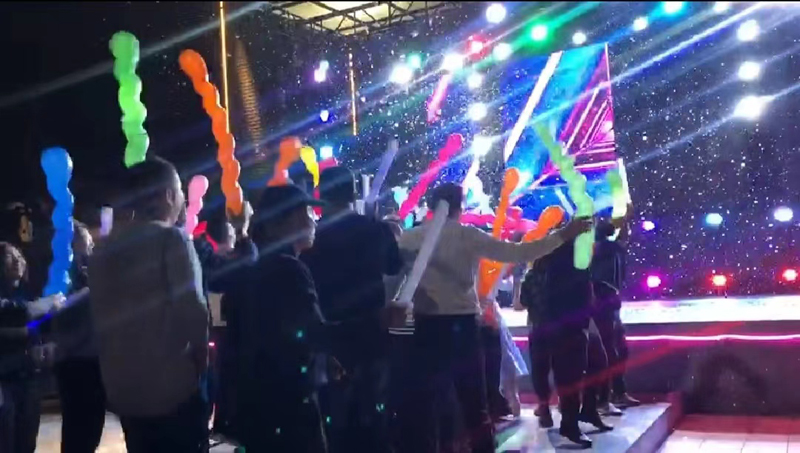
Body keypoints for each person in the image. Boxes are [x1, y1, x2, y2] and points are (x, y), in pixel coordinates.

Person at [396, 183, 592, 453]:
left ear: (431, 205)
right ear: (460, 207)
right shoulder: (467, 236)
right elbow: (520, 252)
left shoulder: (410, 238)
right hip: (461, 327)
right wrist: (562, 235)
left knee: (428, 404)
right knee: (474, 404)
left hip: (425, 326)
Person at [88, 157, 210, 453]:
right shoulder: (171, 239)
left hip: (124, 391)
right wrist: (202, 366)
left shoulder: (102, 251)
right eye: (179, 191)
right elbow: (193, 310)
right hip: (171, 390)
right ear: (168, 195)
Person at [301, 167, 403, 453]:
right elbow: (394, 266)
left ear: (321, 195)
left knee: (333, 416)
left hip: (329, 335)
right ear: (353, 193)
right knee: (373, 411)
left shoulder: (313, 236)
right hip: (372, 330)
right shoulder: (375, 229)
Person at [230, 184, 332, 452]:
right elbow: (313, 333)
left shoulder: (258, 263)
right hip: (291, 403)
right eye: (305, 214)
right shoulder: (289, 268)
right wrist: (378, 323)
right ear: (279, 223)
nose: (313, 221)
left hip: (260, 401)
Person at [521, 235, 612, 449]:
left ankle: (586, 412)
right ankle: (570, 423)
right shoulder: (561, 262)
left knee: (595, 365)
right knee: (569, 376)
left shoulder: (575, 260)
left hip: (576, 323)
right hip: (565, 326)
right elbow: (556, 297)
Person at [0, 241, 64, 453]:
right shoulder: (16, 302)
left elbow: (35, 324)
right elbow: (19, 314)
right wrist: (41, 309)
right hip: (5, 380)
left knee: (26, 442)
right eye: (10, 256)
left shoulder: (25, 294)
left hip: (28, 376)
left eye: (19, 256)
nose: (18, 261)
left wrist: (45, 344)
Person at [52, 221, 107, 453]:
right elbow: (60, 311)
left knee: (90, 429)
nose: (91, 247)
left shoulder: (86, 272)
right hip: (75, 361)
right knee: (79, 431)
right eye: (87, 242)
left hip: (92, 358)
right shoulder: (63, 275)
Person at [592, 208, 640, 410]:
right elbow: (622, 237)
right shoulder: (604, 248)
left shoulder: (608, 248)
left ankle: (615, 393)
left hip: (609, 304)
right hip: (602, 304)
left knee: (618, 349)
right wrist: (625, 219)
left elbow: (623, 237)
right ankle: (605, 397)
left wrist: (625, 220)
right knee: (610, 351)